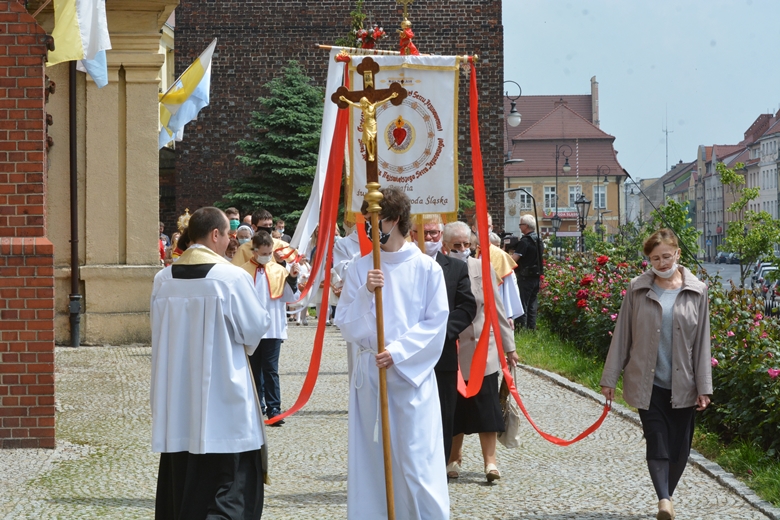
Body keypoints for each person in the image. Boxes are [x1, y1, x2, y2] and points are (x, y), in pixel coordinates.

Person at [334, 186, 450, 519]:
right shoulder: (360, 268)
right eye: (367, 222)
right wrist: (366, 293)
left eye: (376, 221)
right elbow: (345, 324)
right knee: (372, 462)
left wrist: (397, 352)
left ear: (395, 219)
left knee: (416, 463)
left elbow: (435, 323)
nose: (370, 230)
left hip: (410, 379)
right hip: (371, 378)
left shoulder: (427, 269)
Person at [150, 206, 271, 519]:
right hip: (224, 404)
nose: (230, 242)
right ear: (215, 235)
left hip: (178, 402)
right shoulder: (231, 278)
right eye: (228, 235)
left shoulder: (163, 279)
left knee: (184, 490)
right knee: (226, 491)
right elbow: (255, 329)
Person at [600, 229, 712, 520]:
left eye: (666, 256)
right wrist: (610, 377)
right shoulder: (637, 288)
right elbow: (622, 335)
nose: (662, 263)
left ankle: (668, 496)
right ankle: (663, 499)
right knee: (657, 440)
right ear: (648, 260)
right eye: (655, 258)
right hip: (647, 382)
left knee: (679, 450)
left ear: (677, 253)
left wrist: (704, 387)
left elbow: (702, 344)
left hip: (684, 384)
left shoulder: (698, 290)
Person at [441, 221, 518, 483]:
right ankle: (454, 457)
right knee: (455, 410)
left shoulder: (482, 269)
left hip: (483, 351)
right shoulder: (439, 269)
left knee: (487, 410)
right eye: (456, 245)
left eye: (467, 245)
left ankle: (490, 462)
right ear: (445, 246)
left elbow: (498, 311)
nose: (462, 249)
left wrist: (510, 348)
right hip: (453, 351)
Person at [411, 215, 476, 467]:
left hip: (443, 354)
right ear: (414, 234)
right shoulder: (404, 265)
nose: (429, 238)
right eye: (424, 233)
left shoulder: (456, 268)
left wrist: (439, 334)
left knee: (443, 415)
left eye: (434, 233)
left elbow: (467, 307)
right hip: (408, 354)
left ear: (441, 236)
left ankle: (440, 468)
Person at [241, 231, 300, 426]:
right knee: (254, 369)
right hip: (252, 329)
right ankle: (257, 406)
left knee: (271, 369)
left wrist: (291, 278)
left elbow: (290, 298)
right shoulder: (243, 272)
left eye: (269, 252)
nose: (267, 256)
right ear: (255, 250)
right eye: (263, 252)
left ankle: (274, 408)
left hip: (273, 328)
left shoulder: (278, 270)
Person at [511, 214, 543, 330]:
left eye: (521, 224)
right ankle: (531, 328)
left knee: (522, 304)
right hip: (536, 276)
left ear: (526, 226)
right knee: (532, 305)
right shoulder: (538, 240)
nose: (519, 227)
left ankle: (520, 329)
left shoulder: (525, 241)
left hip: (525, 277)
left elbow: (513, 260)